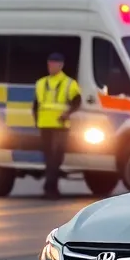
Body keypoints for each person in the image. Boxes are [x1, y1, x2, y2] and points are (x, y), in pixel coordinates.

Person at [32, 52, 81, 199]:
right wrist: (36, 120)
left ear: (61, 65)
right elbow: (35, 105)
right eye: (49, 64)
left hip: (60, 125)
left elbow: (77, 101)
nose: (51, 67)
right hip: (45, 125)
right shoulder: (41, 83)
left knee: (56, 158)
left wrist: (67, 114)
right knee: (50, 158)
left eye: (54, 64)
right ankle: (50, 189)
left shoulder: (69, 83)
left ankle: (50, 187)